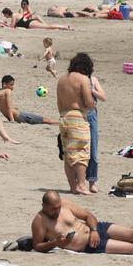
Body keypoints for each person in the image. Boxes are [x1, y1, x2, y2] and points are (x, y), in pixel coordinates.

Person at [32, 190, 133, 256]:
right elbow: (37, 246)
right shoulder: (39, 221)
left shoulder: (65, 204)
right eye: (53, 209)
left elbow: (88, 216)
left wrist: (93, 230)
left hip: (97, 229)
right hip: (89, 246)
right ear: (44, 206)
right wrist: (56, 243)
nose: (57, 211)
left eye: (58, 207)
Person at [58, 53, 96, 195]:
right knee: (82, 152)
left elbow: (59, 103)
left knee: (68, 153)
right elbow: (88, 101)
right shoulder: (83, 79)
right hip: (78, 117)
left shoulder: (62, 79)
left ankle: (73, 186)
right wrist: (92, 104)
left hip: (64, 116)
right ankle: (81, 184)